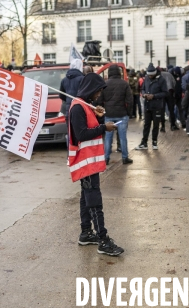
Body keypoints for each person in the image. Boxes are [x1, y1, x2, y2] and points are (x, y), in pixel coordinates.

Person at [68, 72, 123, 256]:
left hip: (89, 161)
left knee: (86, 197)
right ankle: (103, 240)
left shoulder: (85, 106)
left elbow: (88, 128)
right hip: (85, 162)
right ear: (90, 89)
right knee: (94, 200)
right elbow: (82, 134)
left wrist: (98, 117)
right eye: (98, 91)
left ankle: (86, 233)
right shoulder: (77, 107)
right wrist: (103, 127)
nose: (98, 95)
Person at [101, 64, 133, 164]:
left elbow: (100, 99)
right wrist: (128, 113)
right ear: (119, 72)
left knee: (108, 137)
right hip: (122, 114)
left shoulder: (105, 84)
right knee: (123, 137)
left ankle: (106, 158)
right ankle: (124, 157)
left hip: (109, 114)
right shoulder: (124, 84)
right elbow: (130, 100)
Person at [136, 63, 168, 150]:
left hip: (157, 106)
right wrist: (143, 94)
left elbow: (165, 93)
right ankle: (144, 142)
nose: (150, 77)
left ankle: (154, 141)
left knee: (156, 125)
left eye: (151, 75)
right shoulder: (146, 78)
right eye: (149, 75)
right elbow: (142, 88)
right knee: (146, 124)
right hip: (147, 105)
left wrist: (154, 96)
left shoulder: (161, 80)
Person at [160, 67, 176, 131]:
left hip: (162, 93)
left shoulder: (160, 75)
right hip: (170, 92)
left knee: (162, 110)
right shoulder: (169, 74)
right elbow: (174, 82)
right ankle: (172, 125)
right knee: (171, 110)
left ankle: (163, 126)